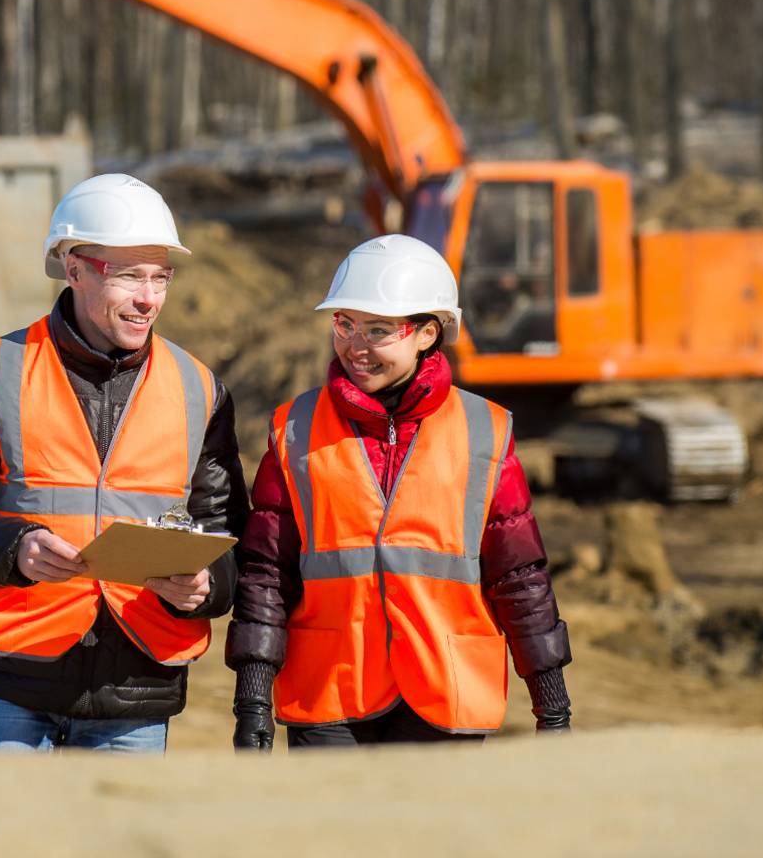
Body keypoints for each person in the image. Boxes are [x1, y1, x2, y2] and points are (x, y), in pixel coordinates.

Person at [0, 173, 245, 753]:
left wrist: (205, 586)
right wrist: (15, 550)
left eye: (160, 277)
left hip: (136, 686)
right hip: (13, 676)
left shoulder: (199, 389)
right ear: (75, 270)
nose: (149, 298)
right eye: (130, 276)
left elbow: (224, 538)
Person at [227, 234, 573, 749]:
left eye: (378, 330)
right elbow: (266, 575)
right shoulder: (295, 428)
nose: (355, 346)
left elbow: (518, 576)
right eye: (344, 324)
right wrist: (252, 698)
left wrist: (552, 702)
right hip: (329, 697)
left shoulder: (484, 431)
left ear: (427, 333)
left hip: (444, 694)